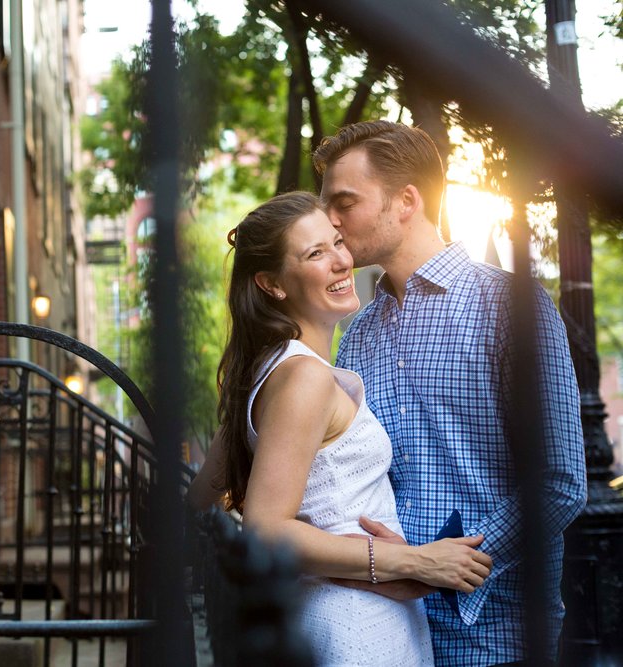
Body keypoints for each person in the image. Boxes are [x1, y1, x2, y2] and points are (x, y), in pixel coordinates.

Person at [313, 120, 588, 666]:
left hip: (496, 633)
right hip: (384, 628)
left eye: (345, 201)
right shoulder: (358, 334)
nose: (331, 222)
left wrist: (442, 562)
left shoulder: (512, 307)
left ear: (407, 200)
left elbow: (560, 483)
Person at [187, 190, 493, 667]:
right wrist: (412, 560)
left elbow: (201, 496)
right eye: (314, 253)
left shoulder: (271, 370)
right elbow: (267, 530)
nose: (340, 261)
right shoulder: (303, 377)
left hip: (364, 610)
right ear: (272, 284)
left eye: (336, 243)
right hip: (354, 624)